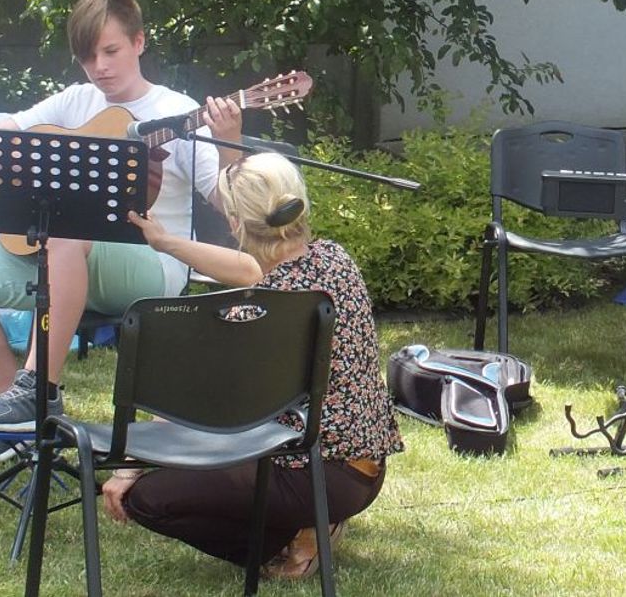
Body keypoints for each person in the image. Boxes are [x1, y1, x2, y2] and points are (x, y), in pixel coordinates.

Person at [0, 0, 243, 466]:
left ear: (139, 42)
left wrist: (229, 140)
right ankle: (24, 423)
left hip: (151, 263)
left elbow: (229, 202)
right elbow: (2, 136)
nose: (99, 67)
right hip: (65, 257)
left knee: (68, 231)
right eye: (87, 57)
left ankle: (37, 388)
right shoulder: (76, 100)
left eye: (110, 51)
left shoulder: (177, 109)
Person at [103, 152, 403, 580]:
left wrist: (129, 467)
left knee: (147, 498)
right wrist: (166, 243)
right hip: (362, 471)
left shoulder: (256, 314)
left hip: (307, 475)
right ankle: (313, 520)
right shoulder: (333, 260)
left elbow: (188, 405)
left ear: (235, 223)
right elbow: (250, 269)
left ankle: (289, 541)